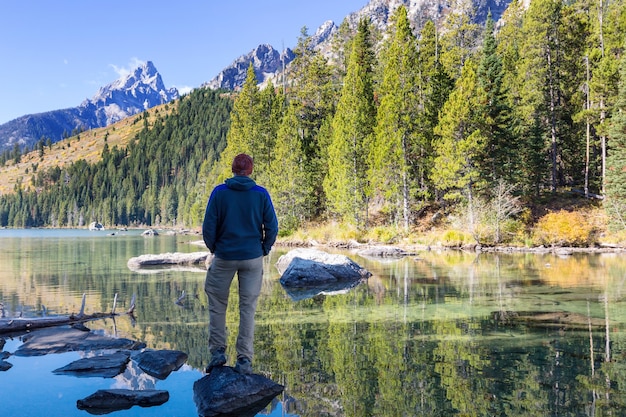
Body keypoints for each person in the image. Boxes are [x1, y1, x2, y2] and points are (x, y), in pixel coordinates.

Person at [202, 153, 279, 374]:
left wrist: (215, 248)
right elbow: (272, 227)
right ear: (251, 170)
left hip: (224, 257)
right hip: (252, 258)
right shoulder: (261, 194)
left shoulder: (219, 193)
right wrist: (264, 248)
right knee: (248, 309)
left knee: (217, 306)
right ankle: (244, 360)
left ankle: (218, 354)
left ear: (233, 169)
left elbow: (208, 227)